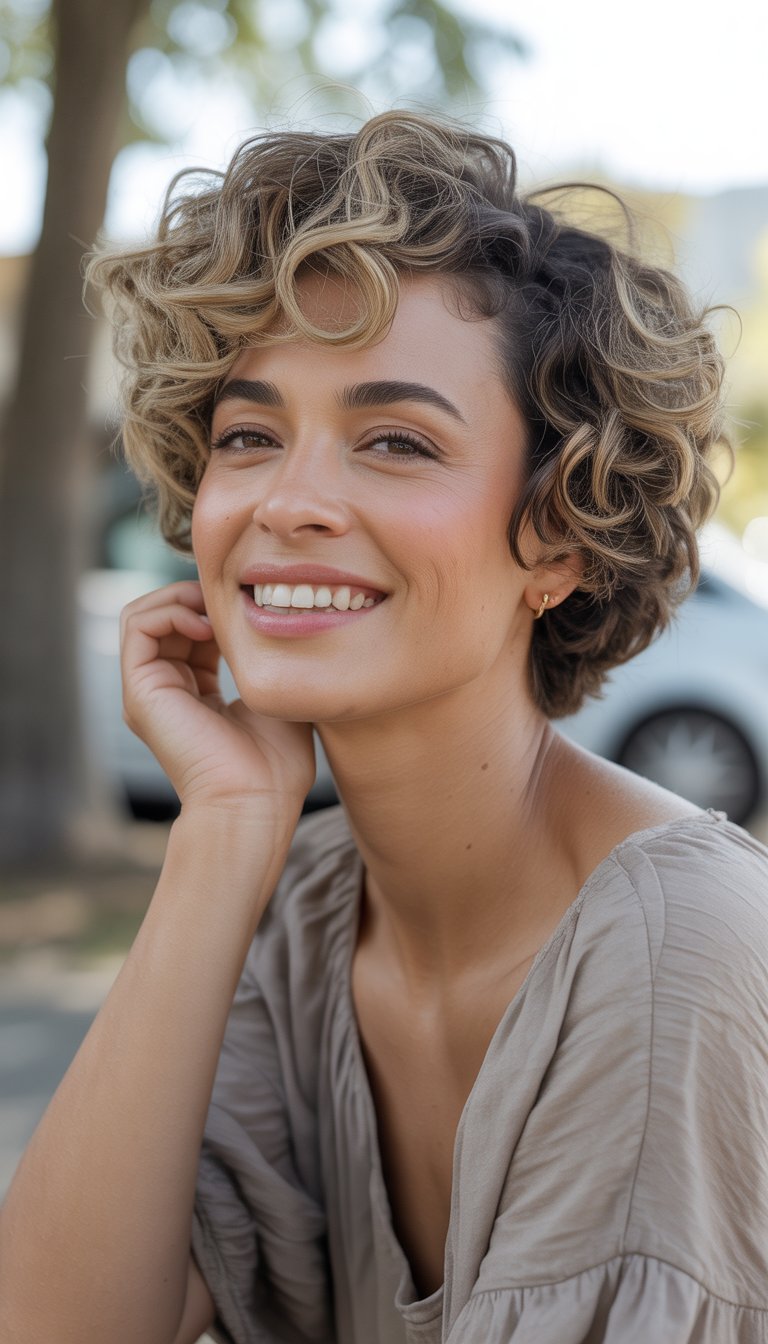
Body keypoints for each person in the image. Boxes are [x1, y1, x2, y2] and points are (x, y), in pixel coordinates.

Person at [2, 110, 767, 1344]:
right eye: (250, 436)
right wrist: (222, 834)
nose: (289, 501)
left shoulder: (679, 949)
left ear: (559, 536)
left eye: (396, 441)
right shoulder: (307, 912)